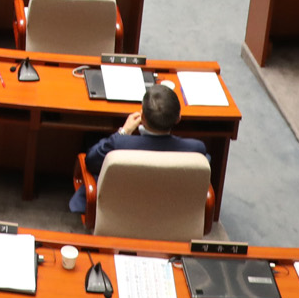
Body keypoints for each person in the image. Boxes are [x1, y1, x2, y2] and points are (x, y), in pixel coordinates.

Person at [67, 84, 208, 215]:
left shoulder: (118, 146)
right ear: (178, 118)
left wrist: (123, 131)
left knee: (93, 140)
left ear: (142, 117)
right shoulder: (196, 150)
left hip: (119, 214)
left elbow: (91, 161)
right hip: (170, 215)